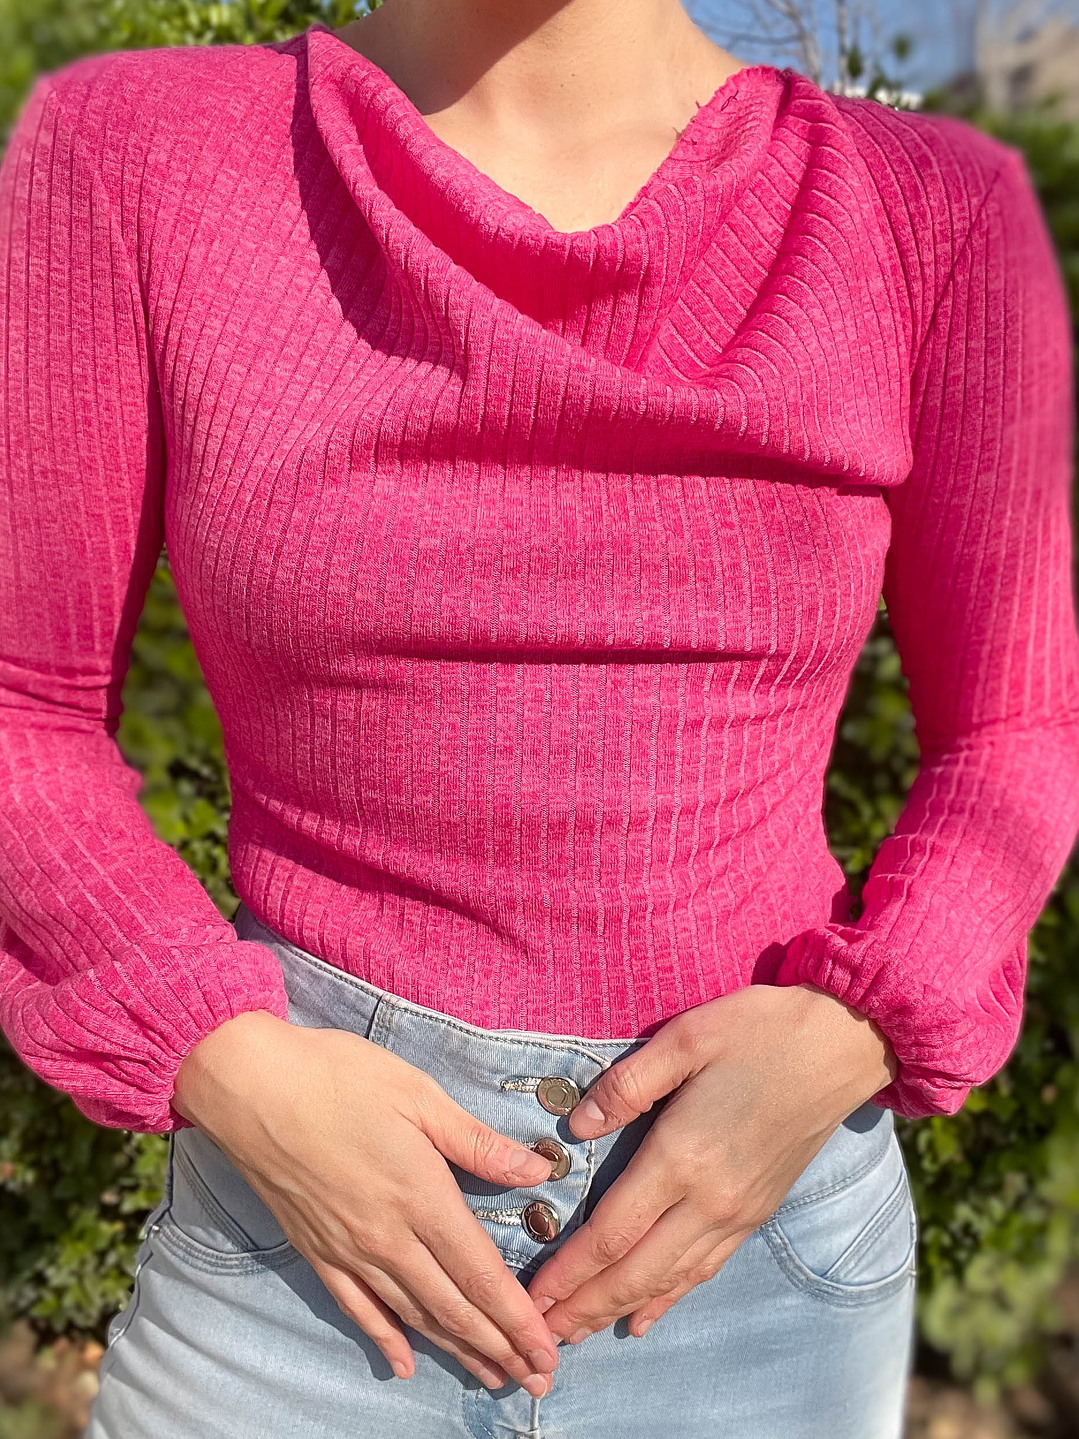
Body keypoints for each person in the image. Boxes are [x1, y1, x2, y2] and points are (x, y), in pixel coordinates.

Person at [0, 0, 1077, 1434]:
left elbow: (1018, 725)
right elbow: (23, 704)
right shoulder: (138, 155)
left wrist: (852, 1027)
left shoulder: (929, 211)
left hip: (756, 1255)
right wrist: (223, 1057)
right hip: (296, 1249)